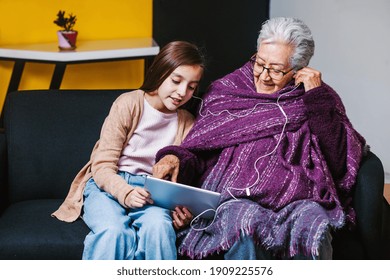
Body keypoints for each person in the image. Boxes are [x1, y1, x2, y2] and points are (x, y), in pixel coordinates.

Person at [152, 17, 367, 260]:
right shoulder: (227, 91)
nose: (264, 76)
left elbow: (338, 161)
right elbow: (197, 151)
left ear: (298, 69)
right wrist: (174, 158)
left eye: (276, 70)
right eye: (260, 63)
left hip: (297, 198)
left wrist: (315, 97)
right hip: (233, 199)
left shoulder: (317, 97)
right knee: (243, 220)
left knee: (313, 222)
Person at [51, 41, 206, 260]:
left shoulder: (187, 122)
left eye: (191, 87)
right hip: (108, 186)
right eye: (176, 81)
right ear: (161, 72)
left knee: (159, 230)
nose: (182, 92)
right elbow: (102, 166)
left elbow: (181, 176)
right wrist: (125, 192)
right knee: (113, 232)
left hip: (152, 193)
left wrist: (182, 210)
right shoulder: (128, 104)